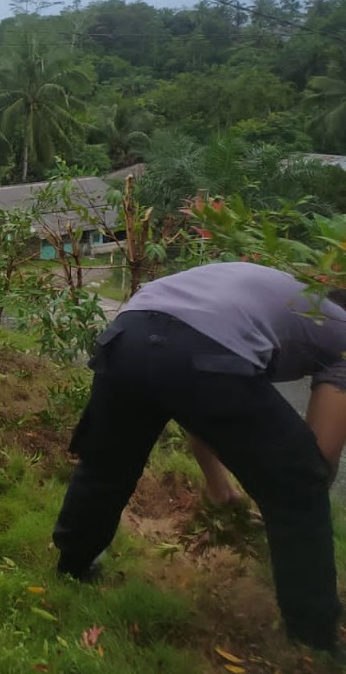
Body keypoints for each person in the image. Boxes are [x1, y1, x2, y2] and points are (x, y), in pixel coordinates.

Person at [52, 261, 346, 655]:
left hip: (129, 333)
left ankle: (73, 565)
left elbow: (200, 397)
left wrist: (219, 485)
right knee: (300, 486)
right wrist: (291, 486)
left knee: (107, 464)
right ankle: (314, 640)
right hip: (204, 350)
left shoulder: (285, 294)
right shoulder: (341, 333)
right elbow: (319, 460)